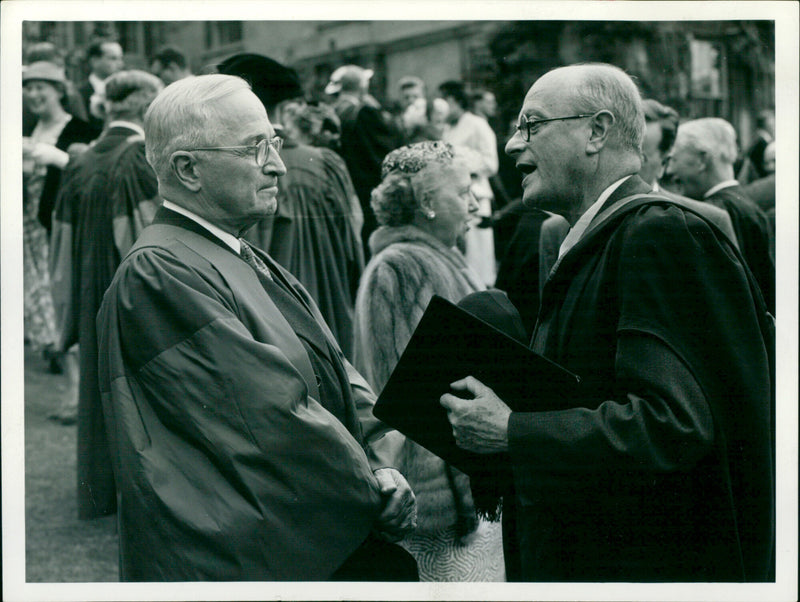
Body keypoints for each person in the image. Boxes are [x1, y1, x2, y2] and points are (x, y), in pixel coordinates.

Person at [440, 63, 774, 582]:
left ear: (596, 131)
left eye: (531, 125)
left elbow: (673, 425)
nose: (511, 145)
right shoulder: (606, 236)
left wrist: (512, 430)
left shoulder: (657, 233)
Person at [96, 73, 417, 581]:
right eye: (255, 149)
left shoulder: (236, 250)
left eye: (275, 142)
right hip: (245, 557)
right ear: (188, 169)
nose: (279, 165)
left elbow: (332, 369)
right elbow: (269, 418)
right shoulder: (159, 271)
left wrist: (383, 459)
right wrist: (370, 487)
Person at [353, 141, 505, 582]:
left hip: (468, 479)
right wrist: (456, 497)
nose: (475, 201)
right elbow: (411, 397)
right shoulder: (398, 268)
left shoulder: (442, 257)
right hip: (437, 499)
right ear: (426, 203)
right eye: (462, 192)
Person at [49, 70, 163, 519]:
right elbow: (145, 238)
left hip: (87, 287)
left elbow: (60, 242)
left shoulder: (81, 160)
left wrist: (68, 310)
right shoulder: (138, 159)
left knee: (100, 386)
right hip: (126, 287)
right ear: (141, 106)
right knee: (139, 389)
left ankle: (100, 489)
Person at [219, 53, 365, 361]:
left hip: (267, 315)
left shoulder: (231, 168)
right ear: (285, 106)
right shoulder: (325, 162)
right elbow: (353, 236)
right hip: (328, 304)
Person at [22, 61, 95, 401]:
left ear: (59, 91)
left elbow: (90, 176)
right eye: (28, 87)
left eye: (41, 87)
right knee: (43, 305)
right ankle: (71, 389)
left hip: (63, 229)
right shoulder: (24, 128)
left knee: (64, 302)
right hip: (30, 231)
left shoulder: (79, 129)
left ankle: (76, 391)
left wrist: (54, 157)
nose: (32, 94)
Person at [666, 117, 775, 313]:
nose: (670, 169)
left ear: (702, 160)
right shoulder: (747, 205)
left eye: (673, 159)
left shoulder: (713, 213)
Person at [326, 64, 404, 257]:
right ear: (362, 87)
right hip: (367, 188)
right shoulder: (365, 112)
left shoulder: (333, 112)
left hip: (343, 187)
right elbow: (385, 151)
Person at [439, 80, 498, 286]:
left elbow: (491, 163)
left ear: (455, 101)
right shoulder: (447, 128)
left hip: (477, 197)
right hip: (453, 197)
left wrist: (463, 166)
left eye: (445, 101)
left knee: (478, 256)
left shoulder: (477, 124)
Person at [78, 39, 124, 133]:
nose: (120, 64)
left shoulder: (126, 91)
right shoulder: (79, 93)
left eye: (120, 58)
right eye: (113, 58)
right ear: (95, 61)